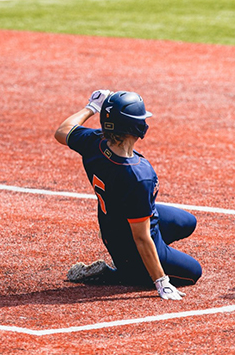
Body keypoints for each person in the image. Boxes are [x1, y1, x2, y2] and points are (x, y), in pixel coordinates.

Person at [54, 90, 202, 300]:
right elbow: (142, 237)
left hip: (113, 228)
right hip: (130, 244)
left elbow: (63, 131)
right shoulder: (137, 175)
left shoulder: (94, 141)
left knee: (188, 222)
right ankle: (128, 271)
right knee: (194, 272)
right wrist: (161, 281)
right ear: (134, 127)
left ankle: (146, 258)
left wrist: (91, 108)